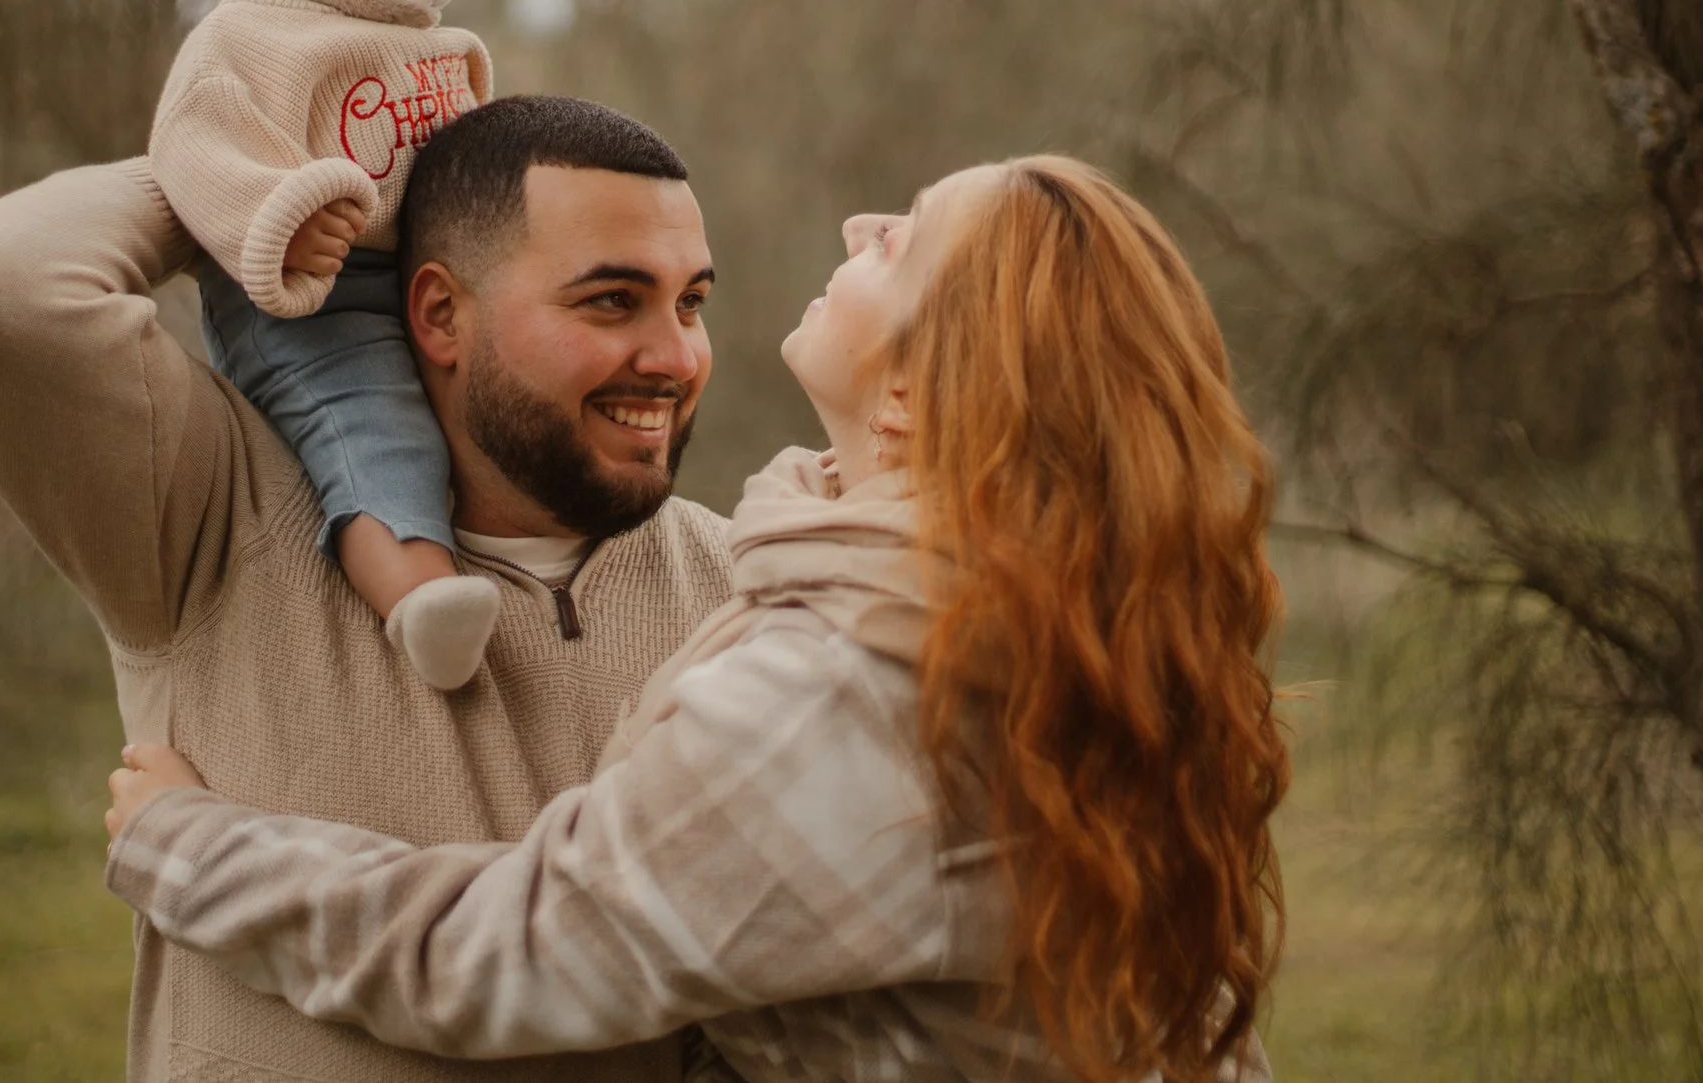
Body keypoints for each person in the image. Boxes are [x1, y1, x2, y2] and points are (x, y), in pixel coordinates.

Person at [103, 156, 1290, 1083]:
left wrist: (187, 844)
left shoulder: (854, 689)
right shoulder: (1051, 615)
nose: (857, 230)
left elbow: (513, 949)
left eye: (906, 239)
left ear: (920, 396)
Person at [0, 96, 732, 1083]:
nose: (675, 356)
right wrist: (252, 181)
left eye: (692, 301)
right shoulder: (216, 509)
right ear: (437, 312)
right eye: (610, 299)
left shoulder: (750, 587)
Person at [150, 0, 506, 690]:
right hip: (314, 298)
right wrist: (284, 212)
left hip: (430, 277)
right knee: (373, 421)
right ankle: (419, 598)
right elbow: (193, 146)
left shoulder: (426, 39)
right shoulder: (254, 36)